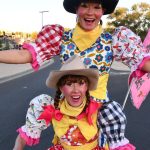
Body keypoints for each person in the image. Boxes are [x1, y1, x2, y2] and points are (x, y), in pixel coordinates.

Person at [1, 0, 150, 149]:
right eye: (84, 5)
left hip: (98, 111)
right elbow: (24, 54)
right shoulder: (62, 38)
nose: (90, 12)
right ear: (76, 8)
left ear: (103, 10)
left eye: (96, 7)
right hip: (68, 105)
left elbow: (144, 64)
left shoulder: (113, 41)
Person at [13, 55, 134, 150]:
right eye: (69, 84)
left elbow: (118, 144)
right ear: (61, 88)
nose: (76, 90)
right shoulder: (49, 107)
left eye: (81, 83)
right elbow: (28, 131)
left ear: (87, 86)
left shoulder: (102, 109)